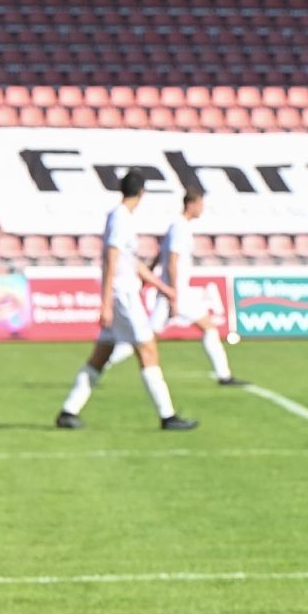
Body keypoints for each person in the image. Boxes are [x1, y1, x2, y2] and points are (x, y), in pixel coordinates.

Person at [55, 168, 197, 431]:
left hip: (121, 293)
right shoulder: (120, 218)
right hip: (122, 296)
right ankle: (167, 416)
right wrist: (106, 302)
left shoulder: (122, 218)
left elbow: (131, 263)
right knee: (147, 348)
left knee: (102, 354)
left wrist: (162, 288)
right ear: (142, 192)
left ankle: (69, 410)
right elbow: (111, 259)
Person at [108, 188, 243, 386]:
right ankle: (103, 362)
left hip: (175, 291)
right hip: (175, 291)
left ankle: (224, 375)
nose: (202, 208)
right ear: (191, 204)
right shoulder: (180, 228)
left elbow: (158, 256)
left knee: (204, 328)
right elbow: (171, 261)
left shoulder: (176, 226)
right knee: (146, 337)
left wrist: (150, 278)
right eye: (201, 204)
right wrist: (173, 296)